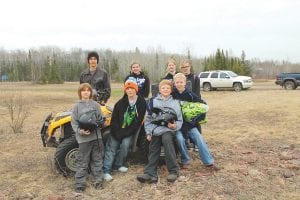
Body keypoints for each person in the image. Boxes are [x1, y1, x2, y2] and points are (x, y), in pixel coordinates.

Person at [136, 79, 183, 183]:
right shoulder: (153, 101)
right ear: (159, 89)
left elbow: (180, 120)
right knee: (153, 145)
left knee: (167, 140)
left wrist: (174, 126)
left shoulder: (175, 103)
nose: (165, 90)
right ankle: (150, 174)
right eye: (163, 88)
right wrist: (148, 132)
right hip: (155, 129)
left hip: (168, 130)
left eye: (167, 88)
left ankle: (173, 171)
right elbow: (148, 119)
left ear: (171, 90)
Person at [172, 73, 220, 171]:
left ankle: (209, 162)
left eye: (181, 82)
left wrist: (195, 121)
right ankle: (185, 160)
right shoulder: (172, 95)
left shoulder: (191, 95)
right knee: (179, 139)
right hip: (178, 126)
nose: (179, 84)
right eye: (177, 82)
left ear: (185, 83)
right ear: (174, 83)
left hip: (189, 125)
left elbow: (203, 106)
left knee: (198, 137)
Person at [103, 80, 146, 181]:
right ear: (125, 90)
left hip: (130, 131)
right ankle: (106, 171)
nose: (130, 90)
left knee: (125, 145)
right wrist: (117, 132)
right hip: (117, 130)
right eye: (127, 89)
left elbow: (138, 121)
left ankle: (118, 164)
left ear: (136, 90)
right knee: (111, 148)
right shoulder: (120, 103)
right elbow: (114, 119)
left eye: (132, 88)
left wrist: (127, 132)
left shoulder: (141, 102)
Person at [71, 83, 104, 193]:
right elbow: (74, 123)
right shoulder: (76, 106)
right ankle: (80, 184)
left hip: (96, 137)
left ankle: (98, 181)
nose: (86, 92)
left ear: (91, 92)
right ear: (80, 93)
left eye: (88, 90)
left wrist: (99, 123)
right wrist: (80, 131)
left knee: (97, 160)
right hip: (83, 139)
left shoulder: (95, 105)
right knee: (83, 161)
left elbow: (101, 119)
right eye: (83, 90)